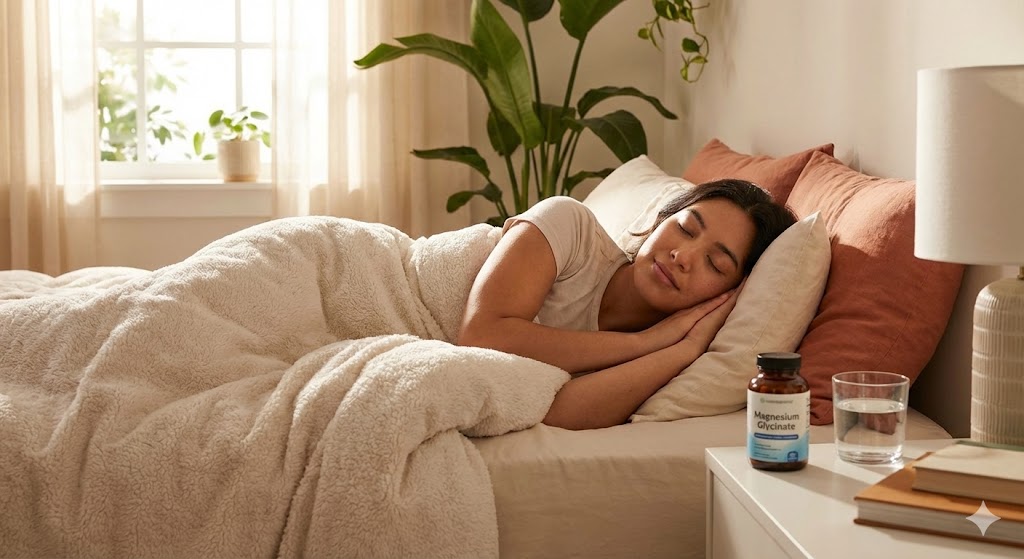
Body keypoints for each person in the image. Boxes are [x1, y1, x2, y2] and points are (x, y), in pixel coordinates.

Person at [456, 179, 798, 430]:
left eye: (715, 264)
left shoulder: (671, 357)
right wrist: (641, 343)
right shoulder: (570, 228)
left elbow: (557, 416)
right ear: (659, 220)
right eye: (685, 228)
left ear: (729, 295)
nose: (683, 256)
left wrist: (685, 350)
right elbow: (481, 336)